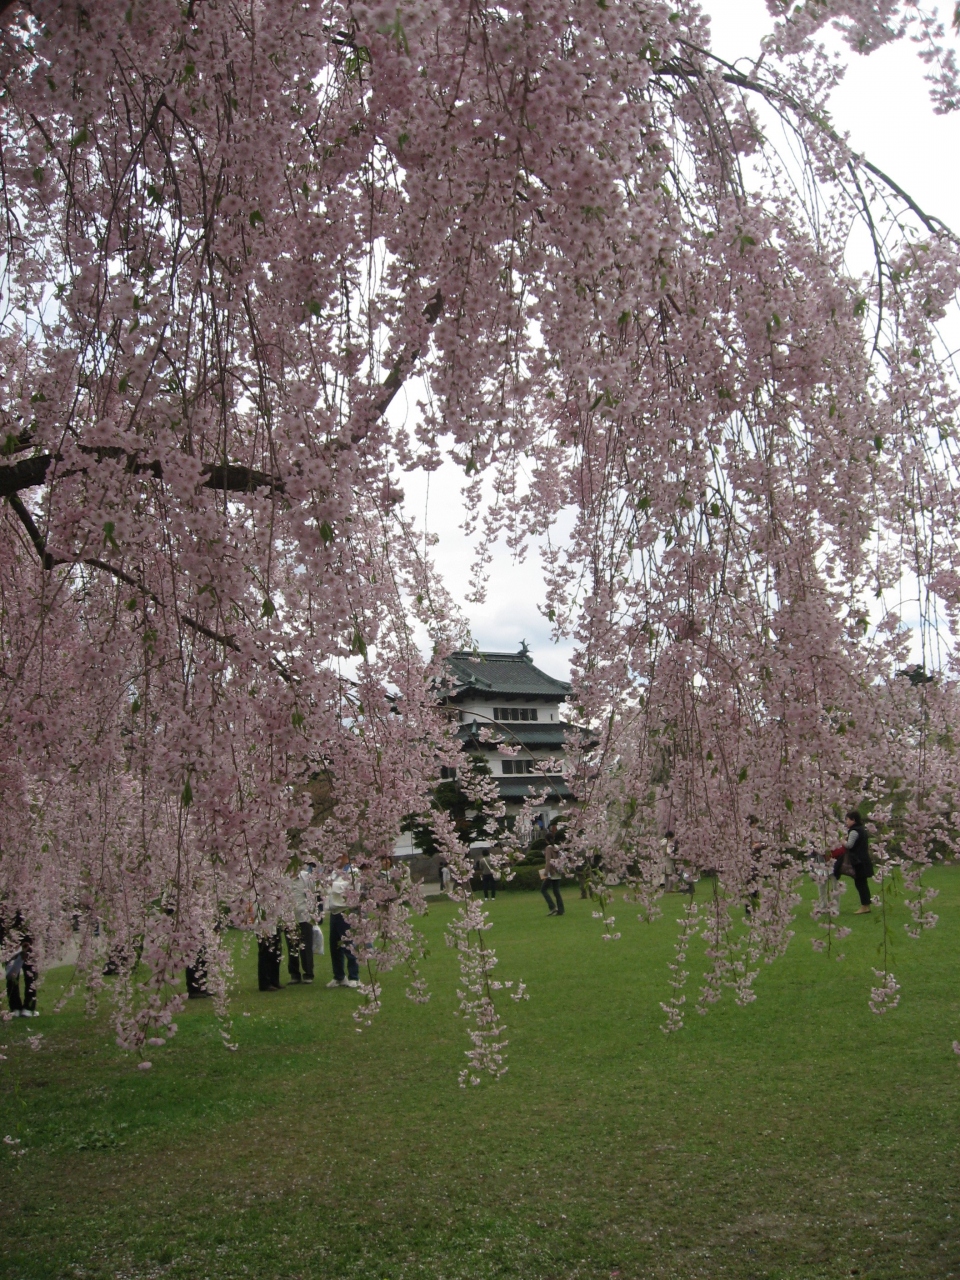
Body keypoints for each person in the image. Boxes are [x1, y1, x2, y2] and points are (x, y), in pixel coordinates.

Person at [324, 856, 360, 988]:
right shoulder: (334, 872)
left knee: (349, 945)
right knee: (335, 947)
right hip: (334, 912)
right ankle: (339, 976)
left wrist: (332, 885)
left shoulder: (353, 871)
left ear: (345, 857)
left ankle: (354, 976)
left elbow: (349, 887)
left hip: (346, 911)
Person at [832, 810, 874, 914]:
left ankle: (865, 906)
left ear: (853, 820)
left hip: (858, 861)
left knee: (860, 884)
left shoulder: (854, 831)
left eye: (847, 819)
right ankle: (866, 905)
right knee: (863, 883)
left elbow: (849, 845)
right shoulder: (862, 830)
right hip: (863, 859)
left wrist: (842, 841)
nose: (846, 822)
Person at [285, 863, 317, 984]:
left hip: (305, 917)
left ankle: (308, 973)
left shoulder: (306, 877)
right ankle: (294, 974)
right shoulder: (283, 879)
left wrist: (312, 912)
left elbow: (313, 894)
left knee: (306, 946)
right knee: (292, 946)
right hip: (289, 918)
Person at [1, 911, 37, 1017]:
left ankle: (18, 1007)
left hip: (11, 938)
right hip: (20, 937)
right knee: (27, 973)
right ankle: (24, 1007)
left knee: (16, 973)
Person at [540, 825, 565, 916]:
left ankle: (552, 907)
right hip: (558, 871)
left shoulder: (548, 848)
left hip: (551, 872)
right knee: (556, 891)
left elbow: (548, 861)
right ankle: (561, 910)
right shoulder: (557, 847)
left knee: (543, 889)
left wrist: (546, 872)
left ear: (546, 840)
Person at [257, 926, 283, 991]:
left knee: (276, 952)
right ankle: (264, 983)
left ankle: (274, 981)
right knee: (265, 953)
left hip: (275, 925)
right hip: (263, 927)